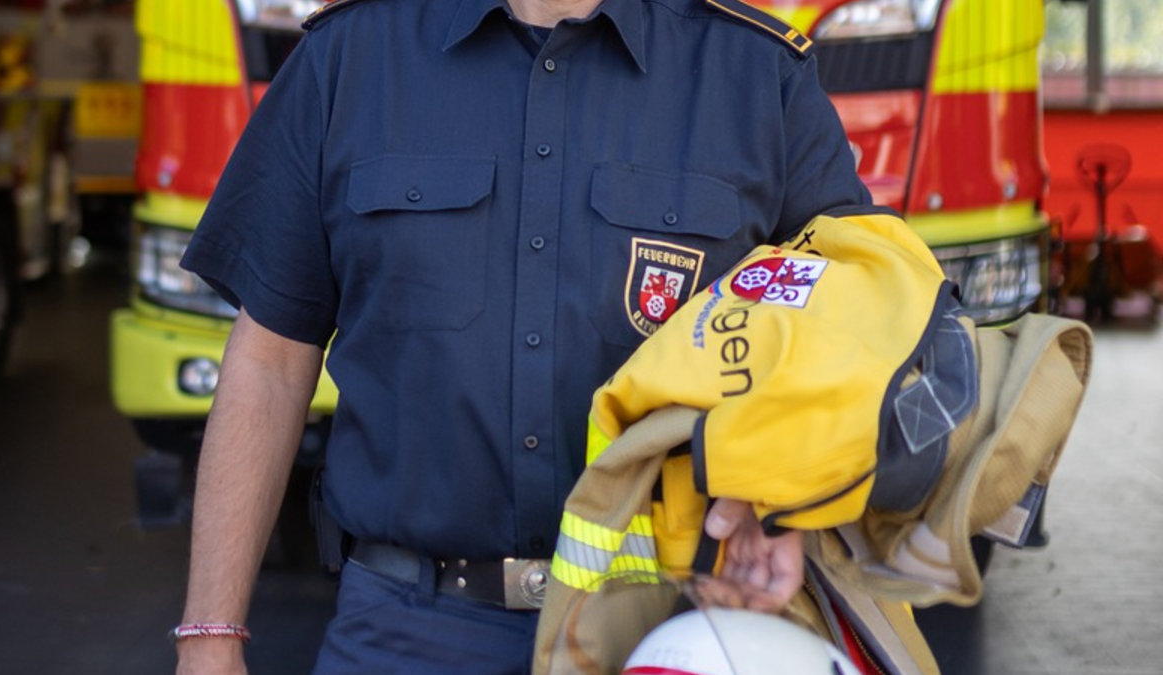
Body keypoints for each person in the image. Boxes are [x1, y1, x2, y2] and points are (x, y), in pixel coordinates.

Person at [171, 0, 883, 672]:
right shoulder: (349, 58)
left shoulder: (756, 74)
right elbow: (269, 361)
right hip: (407, 629)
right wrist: (209, 638)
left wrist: (790, 500)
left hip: (673, 624)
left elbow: (861, 328)